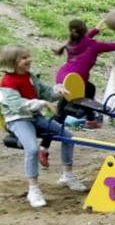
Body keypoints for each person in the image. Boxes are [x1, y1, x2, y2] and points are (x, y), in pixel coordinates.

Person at [1, 45, 88, 208]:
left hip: (35, 117)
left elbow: (45, 91)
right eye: (24, 58)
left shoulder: (30, 76)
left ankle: (67, 176)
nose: (29, 60)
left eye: (28, 56)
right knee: (32, 149)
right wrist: (43, 103)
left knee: (68, 137)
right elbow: (17, 105)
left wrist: (58, 89)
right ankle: (33, 189)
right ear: (13, 62)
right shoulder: (7, 82)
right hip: (18, 119)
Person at [54, 12, 115, 129]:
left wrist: (96, 29)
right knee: (68, 101)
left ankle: (89, 120)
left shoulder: (71, 42)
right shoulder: (94, 46)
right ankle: (60, 123)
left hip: (63, 76)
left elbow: (85, 38)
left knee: (88, 89)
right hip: (76, 79)